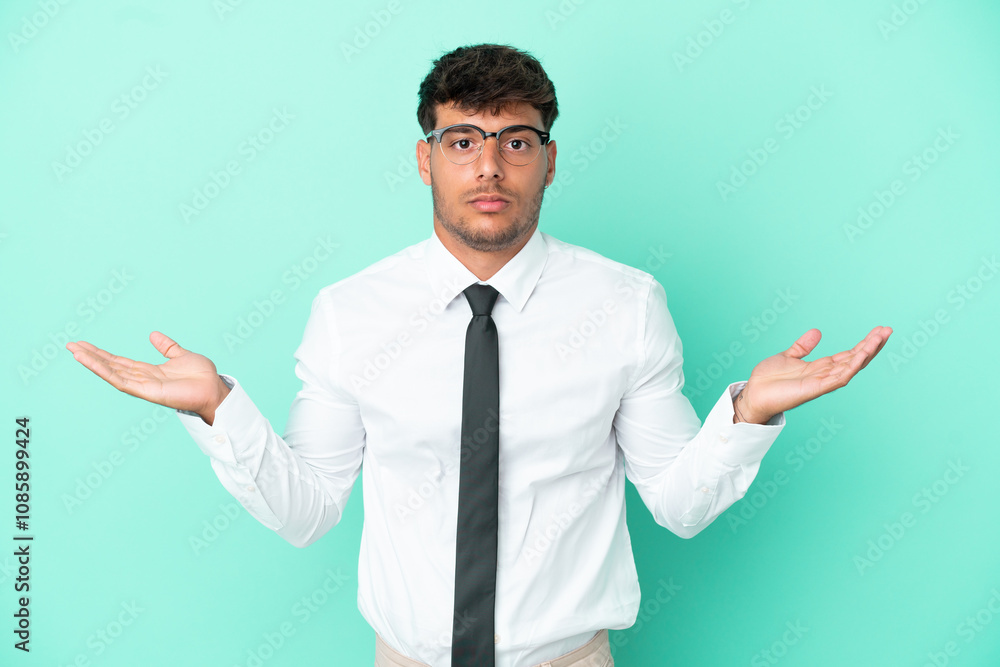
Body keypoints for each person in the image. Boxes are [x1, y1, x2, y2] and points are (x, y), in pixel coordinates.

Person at [66, 43, 891, 667]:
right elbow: (306, 509)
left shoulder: (626, 305)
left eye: (516, 141)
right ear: (425, 158)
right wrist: (219, 410)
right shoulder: (351, 313)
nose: (489, 166)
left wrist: (750, 412)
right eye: (462, 140)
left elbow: (678, 501)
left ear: (550, 159)